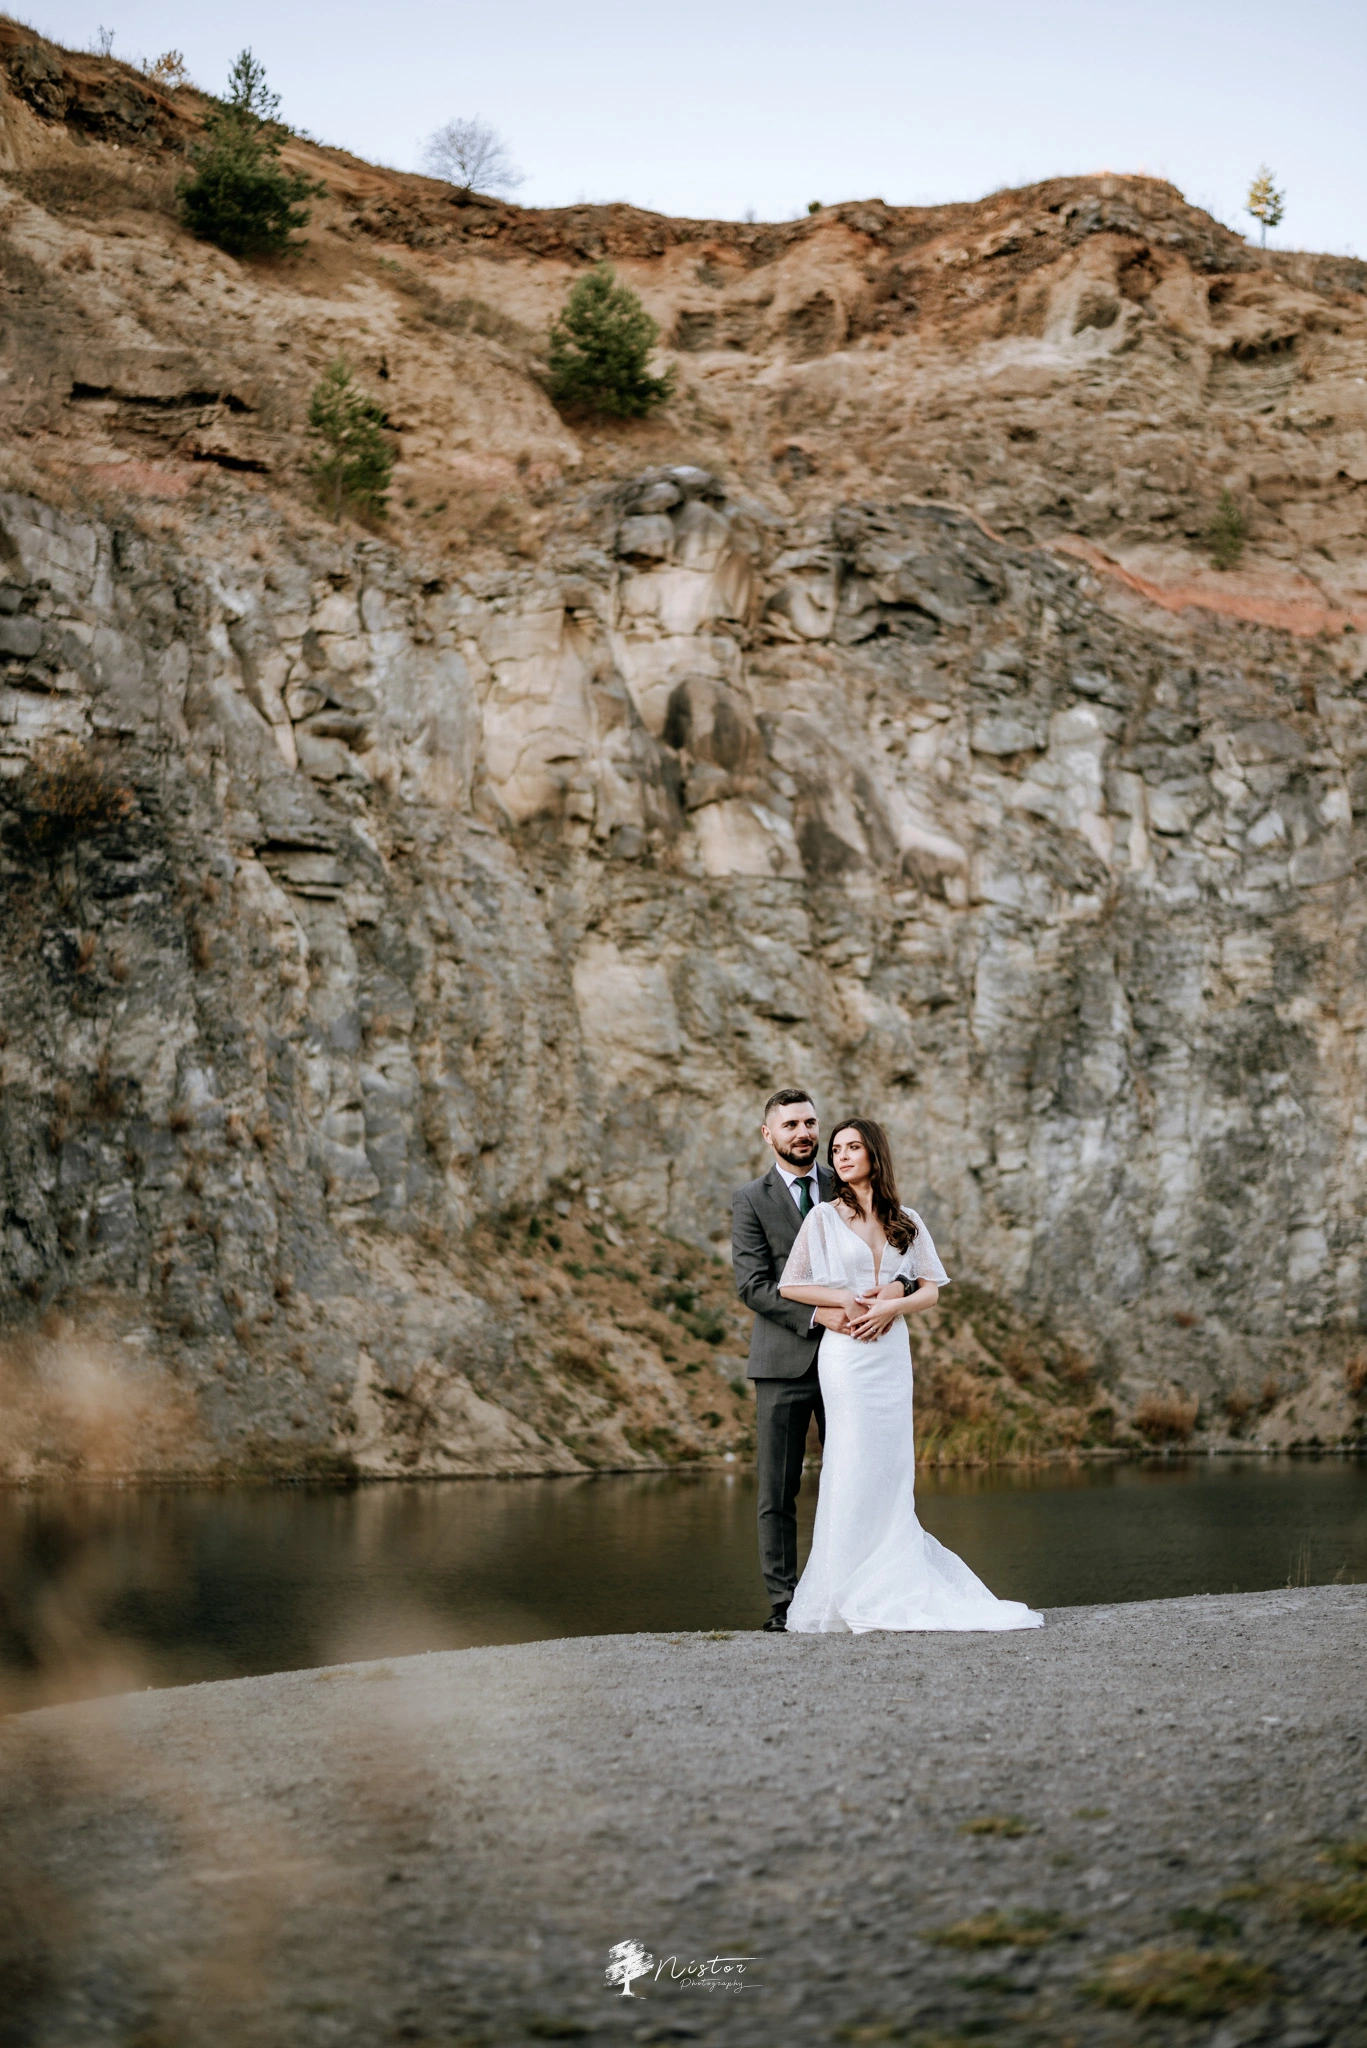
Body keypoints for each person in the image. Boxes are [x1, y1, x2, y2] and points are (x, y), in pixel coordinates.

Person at [777, 1116, 1043, 1635]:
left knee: (892, 1465)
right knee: (851, 1461)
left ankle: (892, 1578)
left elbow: (931, 1290)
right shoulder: (824, 1218)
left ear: (874, 1154)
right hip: (848, 1354)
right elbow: (791, 1286)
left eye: (853, 1147)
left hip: (891, 1355)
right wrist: (844, 1299)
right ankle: (845, 1586)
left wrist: (893, 1307)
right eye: (837, 1149)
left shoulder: (907, 1220)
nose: (842, 1156)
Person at [731, 1089, 925, 1633]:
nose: (804, 1133)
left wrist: (901, 1287)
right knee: (778, 1489)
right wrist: (821, 1315)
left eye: (810, 1122)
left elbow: (903, 1257)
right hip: (784, 1362)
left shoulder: (849, 1183)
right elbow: (753, 1285)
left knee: (859, 1475)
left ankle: (861, 1590)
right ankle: (784, 1603)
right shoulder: (751, 1200)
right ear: (768, 1134)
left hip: (860, 1360)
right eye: (790, 1124)